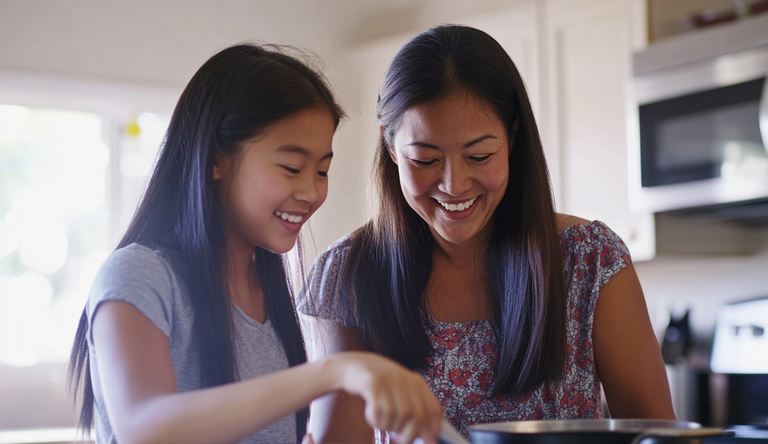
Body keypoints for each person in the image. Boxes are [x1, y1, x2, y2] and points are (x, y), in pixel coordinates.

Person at [297, 25, 675, 442]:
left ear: (512, 139)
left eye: (479, 155)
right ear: (391, 151)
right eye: (425, 160)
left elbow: (656, 435)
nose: (454, 185)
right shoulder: (347, 275)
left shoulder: (591, 261)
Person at [68, 43, 443, 444]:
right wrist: (334, 371)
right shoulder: (140, 275)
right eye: (291, 167)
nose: (310, 191)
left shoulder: (266, 293)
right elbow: (144, 429)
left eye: (321, 170)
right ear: (215, 158)